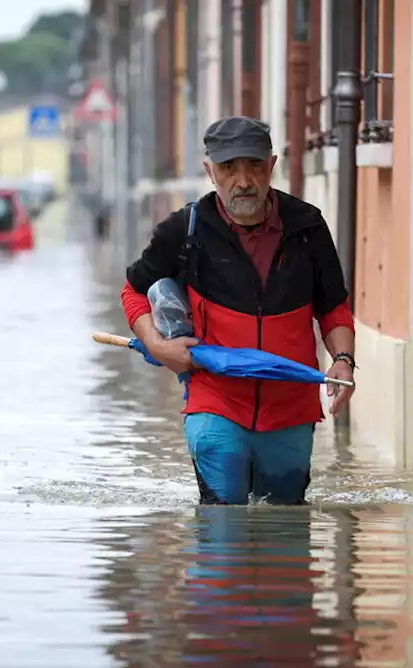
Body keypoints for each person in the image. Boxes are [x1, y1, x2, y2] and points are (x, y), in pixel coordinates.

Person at [120, 115, 356, 506]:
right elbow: (134, 291)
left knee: (285, 530)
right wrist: (158, 346)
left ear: (272, 167)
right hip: (215, 404)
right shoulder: (185, 229)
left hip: (291, 409)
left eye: (255, 167)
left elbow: (332, 306)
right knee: (222, 524)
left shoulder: (308, 226)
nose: (243, 181)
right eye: (229, 168)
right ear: (210, 171)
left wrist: (343, 359)